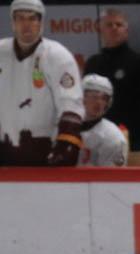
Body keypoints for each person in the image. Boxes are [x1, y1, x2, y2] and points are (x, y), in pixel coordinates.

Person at [0, 0, 83, 166]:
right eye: (20, 18)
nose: (26, 25)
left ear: (41, 22)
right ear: (13, 22)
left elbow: (70, 104)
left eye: (32, 18)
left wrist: (67, 143)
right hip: (3, 152)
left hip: (44, 154)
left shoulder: (58, 56)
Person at [83, 8, 140, 151]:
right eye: (109, 24)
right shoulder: (92, 64)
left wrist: (122, 126)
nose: (114, 28)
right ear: (100, 29)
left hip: (134, 139)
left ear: (126, 30)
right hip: (94, 138)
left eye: (119, 24)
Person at [78, 73, 128, 167]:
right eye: (94, 96)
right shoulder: (61, 127)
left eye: (104, 98)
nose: (99, 102)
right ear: (81, 97)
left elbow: (113, 175)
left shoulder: (113, 137)